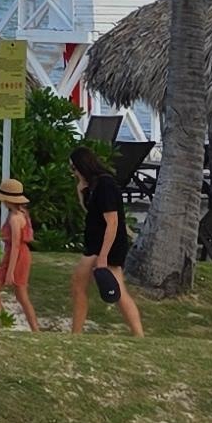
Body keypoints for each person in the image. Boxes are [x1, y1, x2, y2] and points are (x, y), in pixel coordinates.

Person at [68, 138, 147, 338]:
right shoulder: (92, 186)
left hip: (108, 245)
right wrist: (81, 189)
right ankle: (76, 333)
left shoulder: (105, 185)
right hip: (94, 243)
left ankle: (139, 334)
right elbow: (90, 211)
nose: (73, 172)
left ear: (82, 166)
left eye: (74, 168)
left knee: (117, 290)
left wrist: (103, 256)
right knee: (78, 284)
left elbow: (112, 223)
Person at [0, 175, 45, 330]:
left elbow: (16, 245)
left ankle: (4, 326)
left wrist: (10, 271)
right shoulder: (21, 213)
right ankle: (34, 329)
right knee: (20, 295)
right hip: (18, 255)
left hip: (17, 256)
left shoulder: (15, 218)